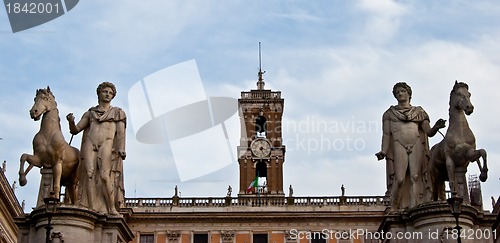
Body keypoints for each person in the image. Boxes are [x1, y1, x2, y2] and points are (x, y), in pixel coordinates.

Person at [376, 82, 445, 210]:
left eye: (402, 91)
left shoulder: (419, 112)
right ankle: (394, 206)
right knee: (400, 178)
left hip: (416, 143)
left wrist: (436, 126)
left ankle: (415, 206)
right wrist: (383, 151)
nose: (400, 94)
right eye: (397, 93)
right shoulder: (389, 114)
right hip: (398, 144)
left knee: (415, 177)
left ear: (408, 93)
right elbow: (386, 135)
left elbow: (428, 132)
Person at [67, 82, 126, 215]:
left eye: (110, 93)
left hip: (106, 143)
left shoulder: (117, 113)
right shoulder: (90, 113)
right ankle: (91, 208)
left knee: (105, 176)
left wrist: (121, 148)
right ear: (99, 93)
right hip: (90, 142)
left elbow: (121, 133)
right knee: (88, 174)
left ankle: (111, 207)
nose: (107, 95)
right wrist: (71, 122)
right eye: (105, 91)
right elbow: (76, 130)